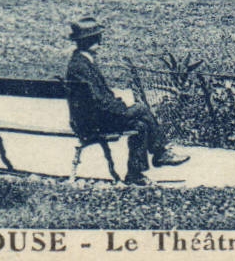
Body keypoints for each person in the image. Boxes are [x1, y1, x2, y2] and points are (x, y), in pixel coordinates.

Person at [64, 16, 189, 184]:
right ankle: (160, 153)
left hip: (94, 119)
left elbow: (99, 99)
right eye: (96, 38)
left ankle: (135, 174)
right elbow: (99, 100)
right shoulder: (81, 66)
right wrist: (123, 110)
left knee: (141, 125)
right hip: (92, 122)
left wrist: (121, 109)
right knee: (141, 109)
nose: (99, 41)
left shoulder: (82, 62)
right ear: (89, 41)